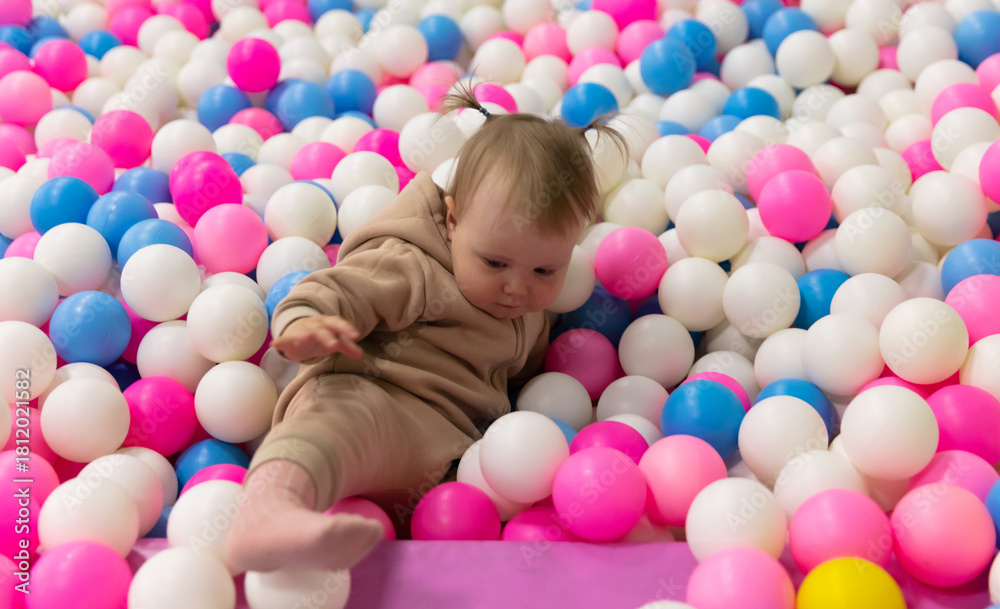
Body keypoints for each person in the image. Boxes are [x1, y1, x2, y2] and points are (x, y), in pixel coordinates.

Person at [224, 83, 625, 574]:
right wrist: (305, 320)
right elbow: (339, 289)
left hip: (454, 458)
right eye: (495, 262)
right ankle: (267, 513)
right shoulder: (412, 265)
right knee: (337, 425)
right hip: (379, 397)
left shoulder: (527, 298)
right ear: (453, 221)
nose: (517, 288)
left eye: (545, 271)